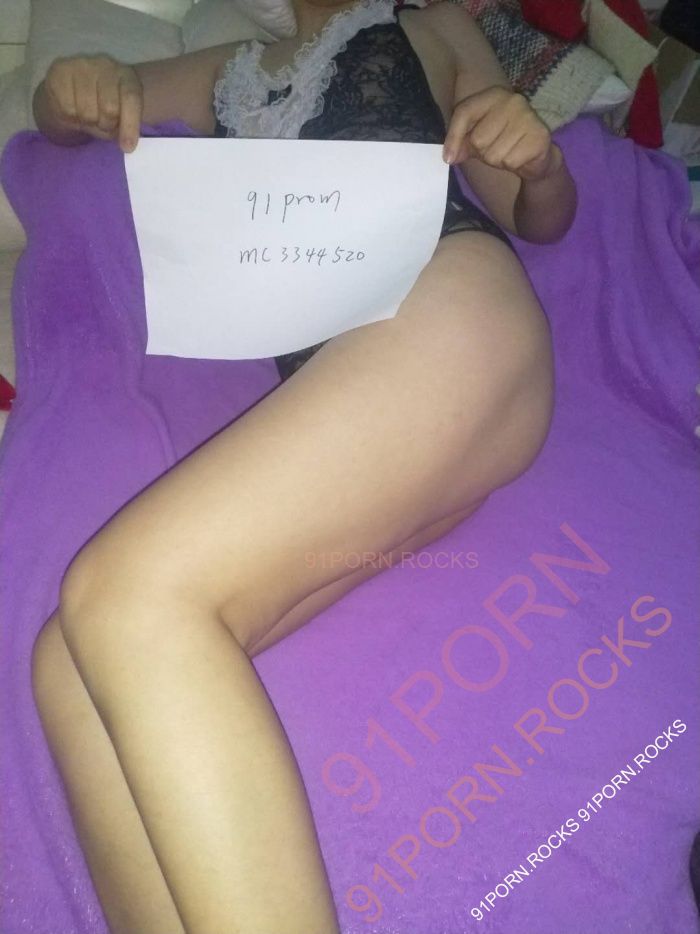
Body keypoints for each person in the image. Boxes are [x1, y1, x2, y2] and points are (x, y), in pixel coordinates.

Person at [29, 0, 576, 931]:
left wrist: (542, 162)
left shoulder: (432, 27)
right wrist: (64, 88)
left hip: (447, 310)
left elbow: (542, 218)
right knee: (72, 667)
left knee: (125, 595)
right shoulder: (227, 67)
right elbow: (75, 115)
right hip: (362, 400)